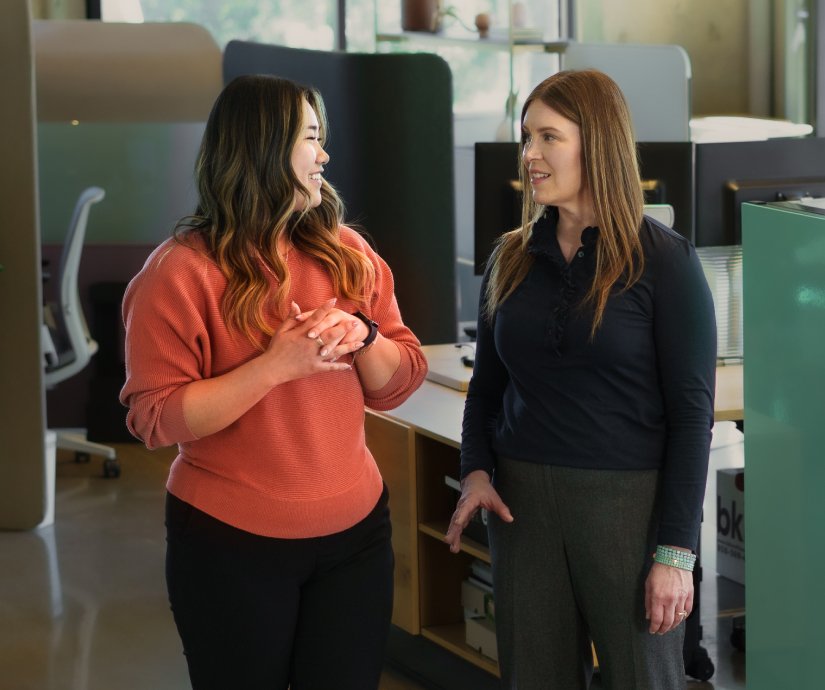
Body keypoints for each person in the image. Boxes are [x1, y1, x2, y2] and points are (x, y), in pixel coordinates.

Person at [120, 74, 427, 690]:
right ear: (262, 149)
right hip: (229, 546)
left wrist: (364, 337)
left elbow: (399, 381)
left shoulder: (349, 253)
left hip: (355, 539)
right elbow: (154, 418)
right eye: (311, 138)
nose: (325, 156)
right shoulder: (179, 272)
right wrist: (273, 366)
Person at [446, 69, 716, 689]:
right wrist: (477, 471)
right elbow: (486, 389)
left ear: (596, 144)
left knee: (642, 677)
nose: (529, 155)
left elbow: (692, 416)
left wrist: (675, 556)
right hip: (522, 509)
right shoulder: (511, 257)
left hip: (627, 506)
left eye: (548, 137)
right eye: (525, 138)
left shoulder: (664, 260)